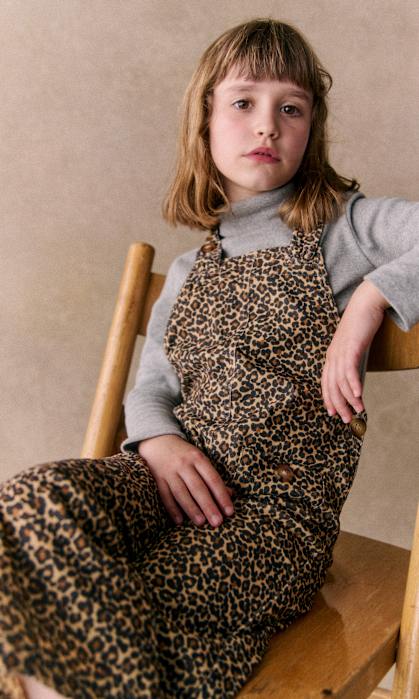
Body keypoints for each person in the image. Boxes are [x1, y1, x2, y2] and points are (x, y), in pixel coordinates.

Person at [1, 16, 419, 699]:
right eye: (243, 102)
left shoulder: (345, 230)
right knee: (29, 500)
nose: (267, 126)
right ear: (204, 120)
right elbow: (150, 390)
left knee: (107, 596)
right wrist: (158, 441)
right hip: (164, 486)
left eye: (291, 108)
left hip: (273, 522)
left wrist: (371, 298)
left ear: (311, 128)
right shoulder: (188, 271)